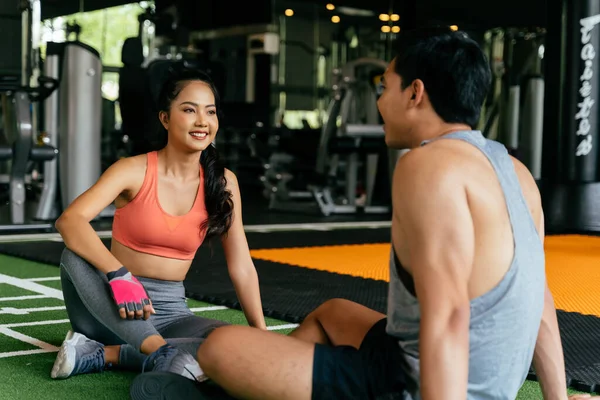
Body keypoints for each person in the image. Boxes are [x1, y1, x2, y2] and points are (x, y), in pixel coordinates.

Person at [128, 27, 600, 400]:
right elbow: (539, 294)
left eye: (385, 86)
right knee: (331, 314)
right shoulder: (513, 167)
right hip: (484, 378)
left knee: (220, 348)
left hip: (423, 385)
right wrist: (556, 399)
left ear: (415, 93)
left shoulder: (426, 164)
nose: (379, 100)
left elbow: (449, 315)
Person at [50, 67, 266, 381]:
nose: (202, 121)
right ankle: (159, 351)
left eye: (210, 112)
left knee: (239, 344)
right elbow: (69, 221)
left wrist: (261, 335)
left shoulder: (223, 182)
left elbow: (242, 265)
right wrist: (118, 274)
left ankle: (105, 355)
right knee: (74, 255)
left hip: (173, 315)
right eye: (189, 110)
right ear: (165, 118)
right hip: (110, 309)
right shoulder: (132, 170)